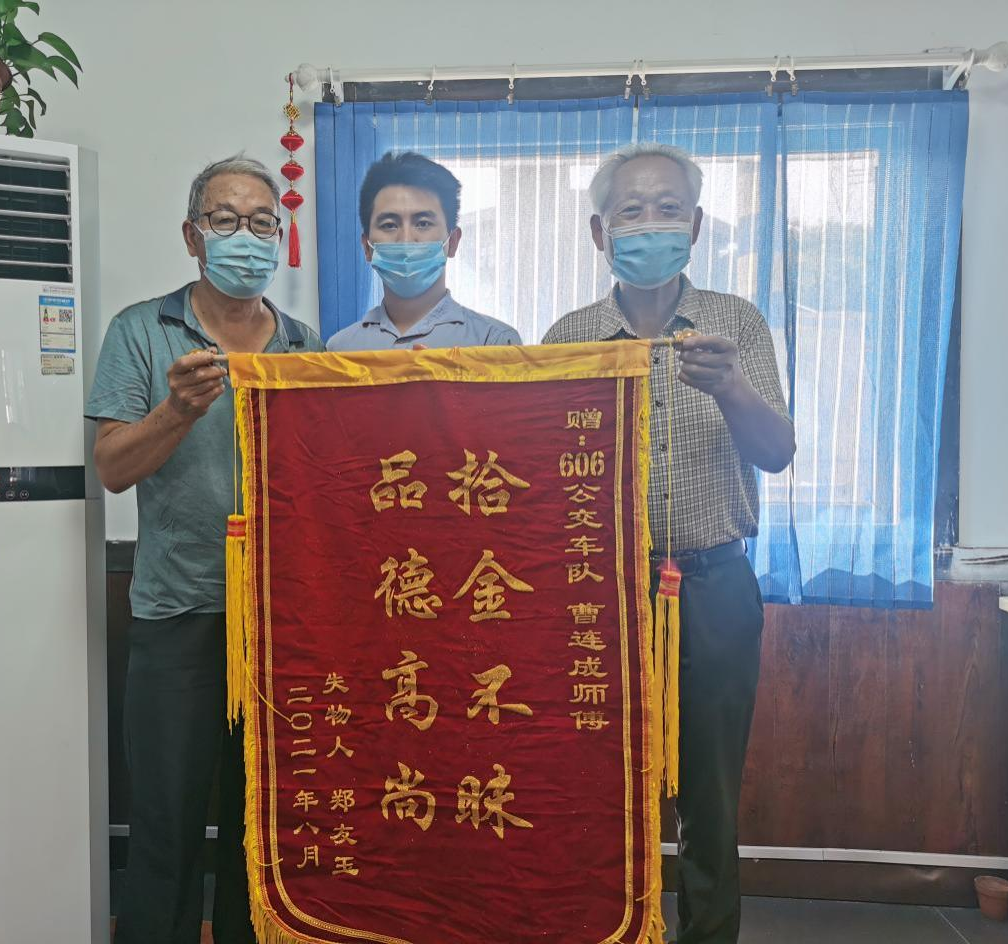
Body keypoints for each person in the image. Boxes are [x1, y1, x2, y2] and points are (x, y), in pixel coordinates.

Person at [542, 142, 795, 944]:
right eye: (631, 210)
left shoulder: (735, 325)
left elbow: (777, 452)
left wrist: (731, 387)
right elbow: (541, 469)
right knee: (599, 789)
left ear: (696, 225)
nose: (650, 224)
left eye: (668, 209)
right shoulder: (571, 335)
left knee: (708, 795)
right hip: (600, 593)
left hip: (713, 588)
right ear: (599, 231)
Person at [85, 155, 324, 944]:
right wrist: (177, 411)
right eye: (225, 220)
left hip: (282, 628)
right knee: (166, 827)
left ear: (279, 238)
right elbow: (113, 468)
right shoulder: (141, 330)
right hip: (177, 616)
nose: (245, 237)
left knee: (266, 830)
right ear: (193, 236)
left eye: (262, 222)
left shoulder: (304, 346)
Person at [327, 151, 521, 351]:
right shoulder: (339, 350)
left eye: (423, 223)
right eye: (389, 225)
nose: (406, 239)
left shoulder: (494, 342)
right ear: (367, 247)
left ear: (453, 242)